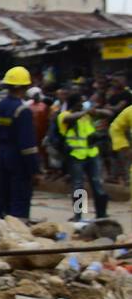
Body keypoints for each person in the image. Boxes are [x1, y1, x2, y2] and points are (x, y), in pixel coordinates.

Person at [0, 65, 41, 220]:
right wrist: (34, 170)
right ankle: (18, 231)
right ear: (25, 87)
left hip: (1, 155)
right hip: (18, 159)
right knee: (20, 198)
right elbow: (28, 146)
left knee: (4, 194)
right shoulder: (22, 110)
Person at [57, 91, 110, 220]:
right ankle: (79, 215)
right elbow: (67, 119)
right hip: (76, 155)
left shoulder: (87, 116)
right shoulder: (64, 115)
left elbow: (109, 114)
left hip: (92, 154)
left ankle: (101, 214)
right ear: (75, 103)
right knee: (79, 186)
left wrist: (96, 111)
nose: (83, 104)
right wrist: (86, 112)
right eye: (81, 101)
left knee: (97, 184)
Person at [111, 98, 132, 185]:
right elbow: (116, 129)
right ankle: (127, 179)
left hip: (126, 133)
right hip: (119, 134)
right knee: (124, 157)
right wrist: (127, 146)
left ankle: (117, 177)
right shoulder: (130, 111)